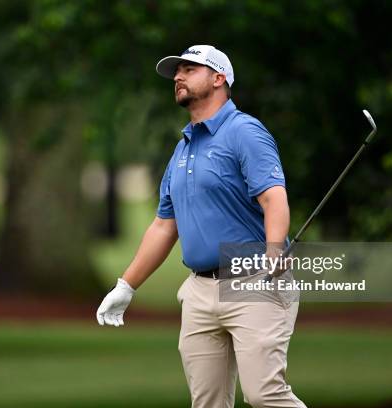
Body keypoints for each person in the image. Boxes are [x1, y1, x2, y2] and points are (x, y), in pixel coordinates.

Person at [96, 44, 306, 408]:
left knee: (265, 395)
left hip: (254, 279)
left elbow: (274, 198)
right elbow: (164, 226)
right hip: (199, 292)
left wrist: (275, 249)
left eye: (190, 69)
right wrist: (126, 286)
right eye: (177, 71)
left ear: (219, 78)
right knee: (206, 402)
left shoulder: (245, 132)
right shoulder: (183, 150)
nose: (178, 76)